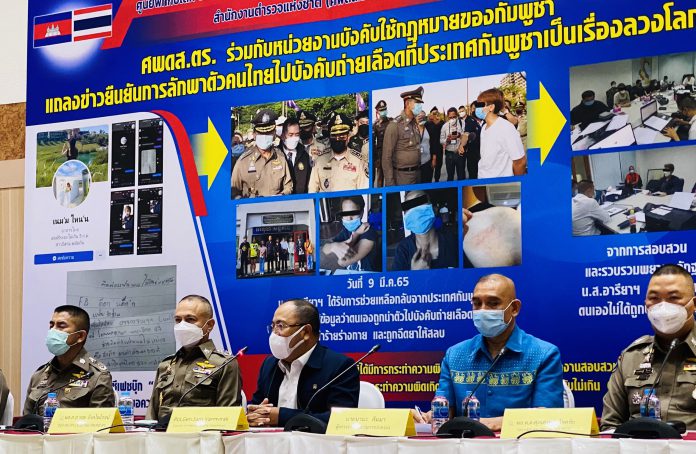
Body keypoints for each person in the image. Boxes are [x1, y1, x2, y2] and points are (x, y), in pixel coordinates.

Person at [412, 274, 564, 431]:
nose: (482, 310)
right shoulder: (455, 355)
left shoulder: (544, 354)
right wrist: (426, 417)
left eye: (493, 303)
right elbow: (445, 412)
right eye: (477, 304)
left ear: (514, 308)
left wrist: (490, 423)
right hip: (465, 444)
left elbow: (547, 416)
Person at [601, 264, 696, 430]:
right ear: (645, 304)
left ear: (693, 304)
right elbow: (610, 425)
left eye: (674, 298)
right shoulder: (631, 357)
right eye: (654, 298)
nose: (663, 307)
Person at [247, 299, 359, 427]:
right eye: (273, 326)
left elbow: (341, 420)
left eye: (281, 326)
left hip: (314, 439)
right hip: (269, 439)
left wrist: (281, 417)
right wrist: (254, 416)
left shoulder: (340, 367)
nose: (274, 333)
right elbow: (256, 408)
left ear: (305, 332)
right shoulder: (269, 364)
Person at [147, 295, 242, 422]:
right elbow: (151, 415)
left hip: (201, 433)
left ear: (209, 325)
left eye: (190, 319)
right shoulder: (166, 365)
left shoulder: (224, 364)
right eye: (178, 320)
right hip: (161, 433)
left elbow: (228, 417)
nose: (182, 325)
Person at [23, 305, 115, 415]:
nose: (53, 331)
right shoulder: (39, 375)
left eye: (61, 326)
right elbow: (26, 421)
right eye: (51, 325)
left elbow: (100, 422)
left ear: (80, 336)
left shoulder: (97, 376)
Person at [231, 109, 293, 198]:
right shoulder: (243, 162)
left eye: (268, 133)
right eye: (261, 133)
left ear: (274, 134)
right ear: (254, 135)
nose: (264, 136)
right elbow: (233, 192)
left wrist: (281, 195)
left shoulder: (280, 157)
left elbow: (288, 185)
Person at [392, 190, 458, 270]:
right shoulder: (403, 249)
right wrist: (415, 274)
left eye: (419, 202)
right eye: (408, 206)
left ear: (434, 209)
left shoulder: (455, 243)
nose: (414, 210)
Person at [308, 112, 368, 193]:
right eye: (334, 136)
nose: (337, 139)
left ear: (348, 137)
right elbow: (312, 189)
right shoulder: (320, 159)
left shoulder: (358, 161)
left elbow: (364, 191)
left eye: (342, 136)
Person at [476, 89, 527, 179]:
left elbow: (520, 162)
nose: (477, 109)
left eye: (480, 105)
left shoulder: (506, 128)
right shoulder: (484, 127)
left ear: (491, 107)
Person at [321, 196, 378, 272]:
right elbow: (325, 248)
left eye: (353, 214)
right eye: (345, 214)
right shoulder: (345, 231)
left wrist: (356, 233)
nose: (349, 218)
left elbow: (343, 262)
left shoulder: (369, 233)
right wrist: (333, 246)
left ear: (361, 213)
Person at [382, 86, 424, 186]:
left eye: (420, 104)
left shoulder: (414, 123)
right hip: (402, 177)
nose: (420, 106)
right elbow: (386, 157)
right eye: (417, 103)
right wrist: (390, 184)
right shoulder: (395, 125)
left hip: (417, 173)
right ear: (407, 104)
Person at [281, 118, 311, 194]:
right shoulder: (277, 155)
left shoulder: (304, 155)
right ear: (283, 135)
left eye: (297, 134)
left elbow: (309, 182)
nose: (294, 138)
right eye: (290, 135)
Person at [440, 107, 468, 181]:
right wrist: (447, 140)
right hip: (449, 154)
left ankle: (462, 188)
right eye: (450, 117)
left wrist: (459, 135)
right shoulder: (444, 126)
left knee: (461, 175)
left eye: (454, 117)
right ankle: (451, 188)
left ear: (457, 115)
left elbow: (466, 135)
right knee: (450, 176)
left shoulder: (462, 123)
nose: (452, 119)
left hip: (460, 153)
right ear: (447, 117)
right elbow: (441, 140)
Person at [372, 100, 391, 187]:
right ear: (378, 112)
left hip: (391, 153)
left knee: (390, 177)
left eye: (384, 109)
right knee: (380, 177)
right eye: (381, 110)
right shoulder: (375, 125)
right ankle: (379, 193)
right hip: (380, 154)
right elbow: (373, 142)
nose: (383, 111)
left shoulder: (391, 121)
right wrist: (376, 158)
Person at [463, 101, 483, 179]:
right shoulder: (469, 121)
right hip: (472, 155)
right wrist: (462, 145)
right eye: (474, 109)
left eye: (477, 109)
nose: (475, 111)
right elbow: (466, 134)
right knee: (473, 176)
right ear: (471, 110)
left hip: (485, 155)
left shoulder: (486, 121)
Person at [425, 107, 445, 182]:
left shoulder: (442, 123)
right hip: (429, 150)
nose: (435, 115)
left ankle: (437, 182)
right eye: (433, 113)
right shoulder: (427, 124)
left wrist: (438, 122)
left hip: (439, 150)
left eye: (436, 113)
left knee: (438, 169)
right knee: (429, 170)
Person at [416, 112, 433, 184]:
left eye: (423, 117)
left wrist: (434, 158)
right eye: (419, 117)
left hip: (427, 160)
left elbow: (433, 144)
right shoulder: (413, 129)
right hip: (416, 162)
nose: (421, 119)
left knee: (427, 181)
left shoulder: (429, 128)